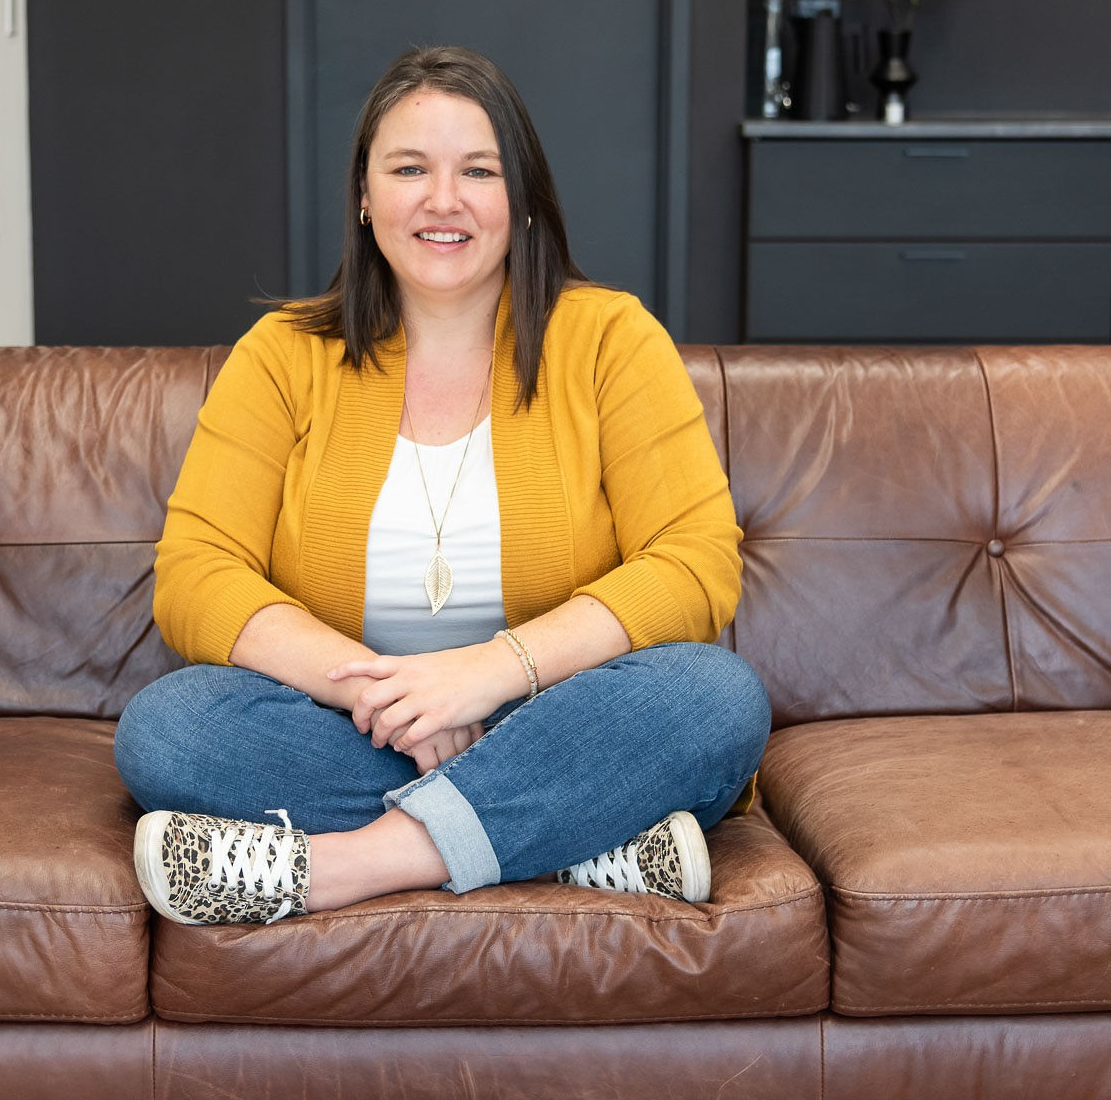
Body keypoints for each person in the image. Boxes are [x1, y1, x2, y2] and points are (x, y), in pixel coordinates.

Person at [115, 45, 769, 926]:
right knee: (169, 727)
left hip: (565, 724)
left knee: (713, 698)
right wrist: (384, 696)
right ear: (364, 192)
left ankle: (347, 865)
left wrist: (484, 677)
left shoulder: (612, 339)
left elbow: (695, 566)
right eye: (410, 168)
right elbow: (195, 572)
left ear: (524, 200)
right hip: (363, 735)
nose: (443, 199)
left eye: (479, 170)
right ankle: (573, 844)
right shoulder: (281, 355)